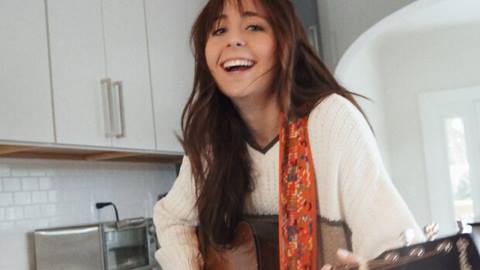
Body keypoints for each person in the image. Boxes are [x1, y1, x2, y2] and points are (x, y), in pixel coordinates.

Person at [153, 0, 423, 269]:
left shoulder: (331, 121)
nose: (233, 40)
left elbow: (395, 244)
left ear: (284, 43)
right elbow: (171, 218)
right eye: (219, 30)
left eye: (253, 26)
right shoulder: (211, 141)